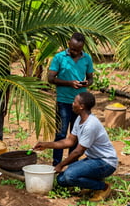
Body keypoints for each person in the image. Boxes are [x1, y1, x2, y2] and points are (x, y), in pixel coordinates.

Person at [34, 92, 118, 202]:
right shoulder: (79, 119)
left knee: (70, 176)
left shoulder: (90, 125)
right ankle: (92, 185)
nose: (72, 104)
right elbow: (69, 141)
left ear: (82, 106)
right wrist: (46, 144)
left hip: (106, 162)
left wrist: (60, 165)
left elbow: (78, 152)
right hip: (93, 160)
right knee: (61, 180)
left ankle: (103, 187)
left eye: (75, 102)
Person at [48, 32, 94, 166]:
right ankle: (56, 164)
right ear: (69, 43)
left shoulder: (87, 59)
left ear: (82, 47)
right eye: (73, 48)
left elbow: (90, 78)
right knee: (61, 134)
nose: (75, 51)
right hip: (63, 101)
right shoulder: (59, 57)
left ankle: (71, 165)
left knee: (76, 136)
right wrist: (69, 83)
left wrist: (87, 83)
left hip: (80, 105)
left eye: (78, 50)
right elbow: (50, 79)